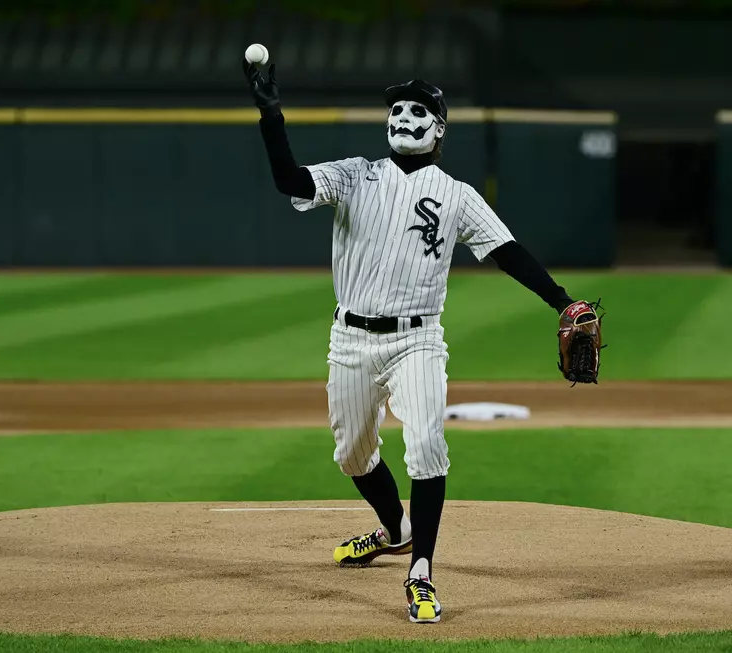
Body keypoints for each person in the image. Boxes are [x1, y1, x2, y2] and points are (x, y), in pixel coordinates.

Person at [244, 60, 585, 624]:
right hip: (350, 339)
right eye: (396, 109)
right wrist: (270, 115)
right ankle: (396, 530)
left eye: (417, 109)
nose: (403, 116)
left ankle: (420, 569)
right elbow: (290, 179)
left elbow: (508, 251)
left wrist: (562, 301)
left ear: (439, 128)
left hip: (418, 341)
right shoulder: (355, 174)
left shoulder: (456, 194)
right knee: (352, 454)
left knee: (427, 444)